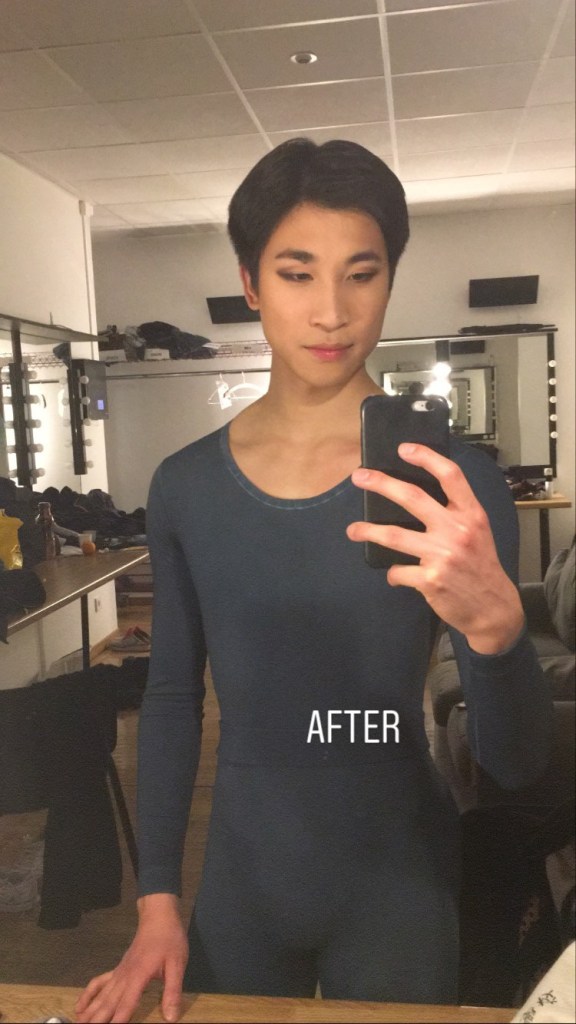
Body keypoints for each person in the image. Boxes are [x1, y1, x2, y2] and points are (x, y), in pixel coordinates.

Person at [76, 139, 553, 1024]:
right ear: (251, 283)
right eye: (297, 274)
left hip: (401, 884)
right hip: (244, 885)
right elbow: (173, 698)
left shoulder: (452, 483)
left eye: (361, 275)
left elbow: (516, 765)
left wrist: (498, 635)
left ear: (390, 279)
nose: (331, 312)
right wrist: (156, 901)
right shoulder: (186, 486)